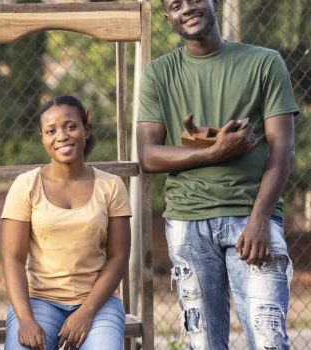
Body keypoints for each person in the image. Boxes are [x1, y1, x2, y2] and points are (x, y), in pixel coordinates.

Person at [137, 1, 299, 348]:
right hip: (187, 221)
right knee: (204, 343)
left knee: (269, 339)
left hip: (250, 217)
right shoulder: (158, 73)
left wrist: (260, 218)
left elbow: (283, 150)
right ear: (168, 19)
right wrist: (214, 151)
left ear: (214, 2)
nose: (187, 9)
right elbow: (148, 155)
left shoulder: (264, 62)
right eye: (175, 5)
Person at [2, 96, 131, 350]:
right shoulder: (26, 185)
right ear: (43, 138)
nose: (61, 136)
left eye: (70, 126)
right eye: (51, 131)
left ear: (87, 129)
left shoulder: (111, 185)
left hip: (98, 301)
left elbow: (118, 257)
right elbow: (13, 259)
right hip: (39, 301)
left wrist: (87, 311)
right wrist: (25, 319)